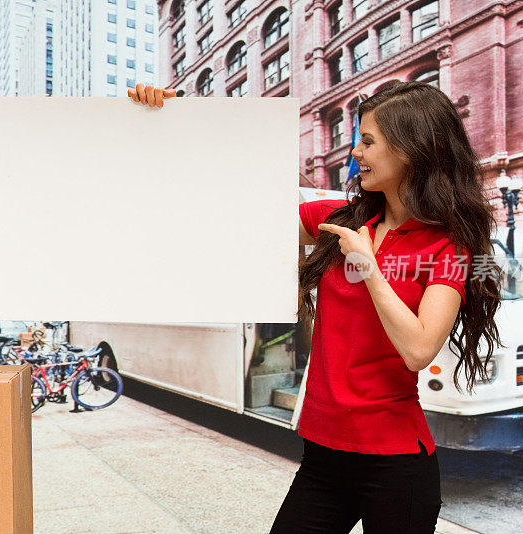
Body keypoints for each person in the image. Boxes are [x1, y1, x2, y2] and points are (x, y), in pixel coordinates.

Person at [128, 82, 503, 533]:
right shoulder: (340, 220)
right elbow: (230, 211)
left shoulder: (448, 245)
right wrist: (176, 125)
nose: (356, 153)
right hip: (323, 457)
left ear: (412, 150)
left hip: (396, 467)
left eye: (368, 142)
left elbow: (419, 349)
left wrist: (368, 266)